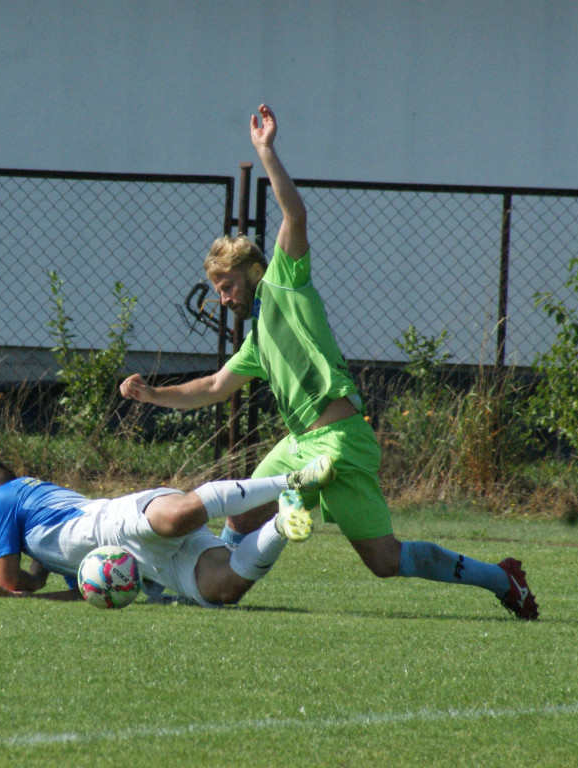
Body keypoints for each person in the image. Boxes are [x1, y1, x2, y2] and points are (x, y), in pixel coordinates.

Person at [120, 103, 538, 620]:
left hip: (340, 443)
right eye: (217, 291)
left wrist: (266, 151)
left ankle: (501, 578)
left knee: (385, 561)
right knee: (240, 513)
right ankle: (206, 574)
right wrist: (152, 394)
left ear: (253, 270)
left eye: (227, 286)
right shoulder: (257, 340)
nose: (224, 298)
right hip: (300, 444)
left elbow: (295, 215)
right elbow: (213, 387)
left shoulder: (283, 283)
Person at [0, 455, 335, 606]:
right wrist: (33, 591)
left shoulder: (3, 498)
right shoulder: (36, 539)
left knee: (176, 518)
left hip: (111, 523)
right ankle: (282, 525)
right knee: (221, 590)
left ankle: (292, 480)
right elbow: (85, 591)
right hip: (144, 565)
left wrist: (23, 586)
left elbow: (9, 579)